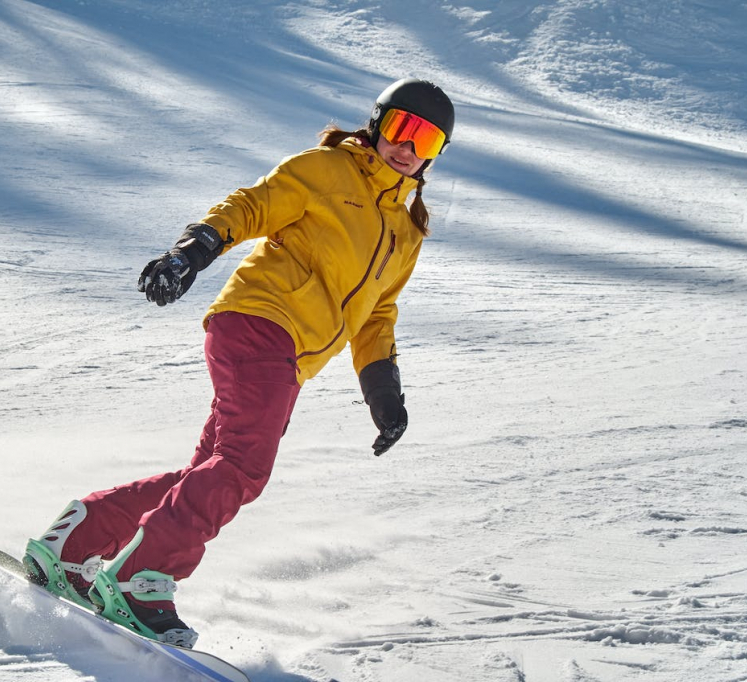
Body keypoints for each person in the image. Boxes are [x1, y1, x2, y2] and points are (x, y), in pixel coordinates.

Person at [23, 78, 455, 649]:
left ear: (434, 156)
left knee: (212, 471)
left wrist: (384, 393)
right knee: (244, 468)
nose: (407, 147)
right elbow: (252, 206)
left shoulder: (407, 229)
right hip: (260, 323)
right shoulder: (328, 170)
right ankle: (138, 580)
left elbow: (378, 314)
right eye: (401, 128)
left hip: (288, 357)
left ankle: (76, 541)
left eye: (425, 140)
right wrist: (191, 251)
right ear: (377, 124)